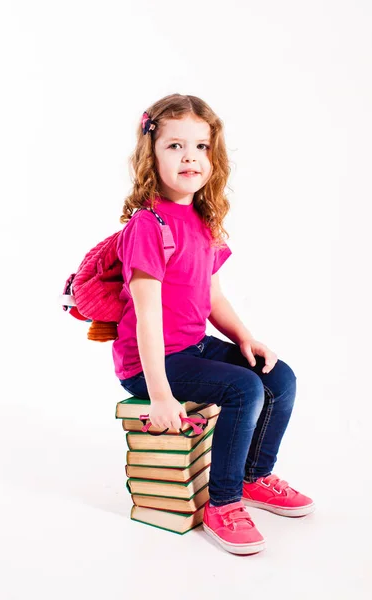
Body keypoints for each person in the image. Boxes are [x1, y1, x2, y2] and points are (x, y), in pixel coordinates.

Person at [114, 93, 315, 555]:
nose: (190, 156)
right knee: (242, 390)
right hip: (149, 361)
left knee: (277, 377)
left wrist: (245, 338)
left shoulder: (203, 219)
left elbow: (212, 296)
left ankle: (252, 477)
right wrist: (161, 396)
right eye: (174, 146)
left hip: (192, 347)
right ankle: (221, 505)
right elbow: (147, 315)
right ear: (151, 154)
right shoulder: (148, 224)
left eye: (201, 147)